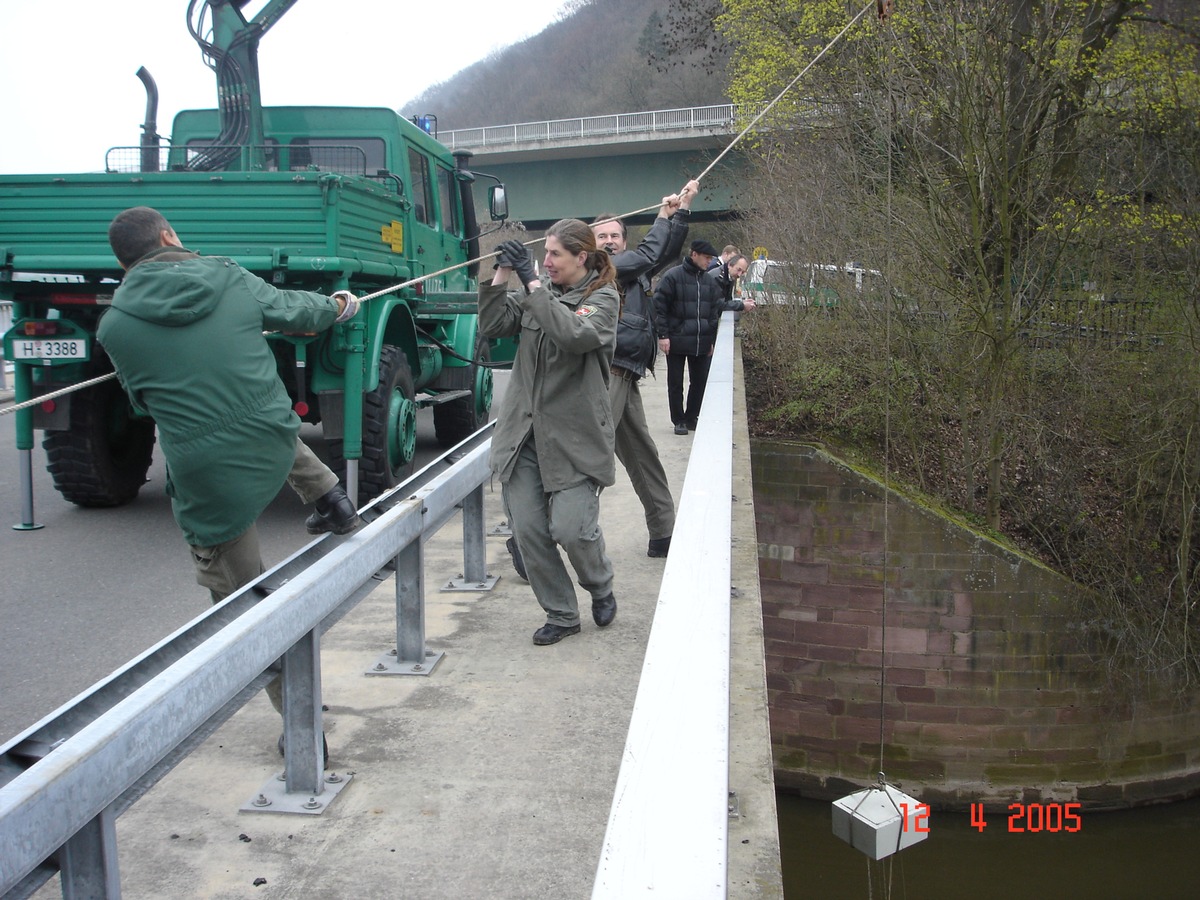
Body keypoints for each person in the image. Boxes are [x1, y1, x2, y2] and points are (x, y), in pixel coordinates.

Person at [97, 206, 360, 722]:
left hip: (208, 474)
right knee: (265, 416)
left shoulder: (114, 326)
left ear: (124, 263)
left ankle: (301, 722)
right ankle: (332, 496)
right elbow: (296, 312)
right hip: (272, 434)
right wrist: (338, 306)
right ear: (169, 236)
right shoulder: (228, 275)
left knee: (245, 605)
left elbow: (141, 403)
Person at [479, 220, 621, 646]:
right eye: (544, 254)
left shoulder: (604, 299)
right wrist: (501, 275)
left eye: (556, 254)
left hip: (574, 438)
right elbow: (492, 326)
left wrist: (533, 283)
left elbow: (573, 335)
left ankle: (599, 584)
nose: (547, 261)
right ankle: (561, 613)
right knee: (529, 531)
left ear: (582, 257)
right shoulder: (538, 294)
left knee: (572, 530)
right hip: (524, 434)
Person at [592, 178, 698, 558]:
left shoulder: (632, 268)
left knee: (642, 454)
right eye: (601, 236)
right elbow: (651, 254)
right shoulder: (601, 267)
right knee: (591, 458)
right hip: (605, 374)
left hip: (627, 372)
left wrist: (680, 211)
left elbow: (664, 253)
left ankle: (664, 531)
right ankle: (538, 539)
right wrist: (662, 215)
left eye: (614, 236)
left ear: (624, 240)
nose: (608, 242)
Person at [654, 239, 725, 435]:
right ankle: (679, 420)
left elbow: (714, 310)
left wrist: (710, 339)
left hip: (700, 340)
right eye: (706, 258)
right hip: (676, 338)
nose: (709, 262)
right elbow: (659, 307)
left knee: (699, 381)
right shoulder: (672, 277)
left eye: (711, 258)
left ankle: (692, 417)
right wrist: (663, 335)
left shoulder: (708, 281)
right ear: (694, 254)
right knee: (675, 382)